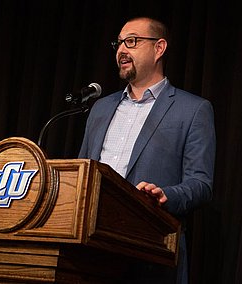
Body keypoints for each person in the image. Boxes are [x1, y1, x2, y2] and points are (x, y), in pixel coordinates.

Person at [78, 16, 216, 284]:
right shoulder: (100, 108)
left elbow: (201, 184)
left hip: (151, 254)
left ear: (159, 48)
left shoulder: (193, 110)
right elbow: (83, 172)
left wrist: (166, 195)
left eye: (131, 41)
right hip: (91, 252)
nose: (121, 50)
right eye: (118, 44)